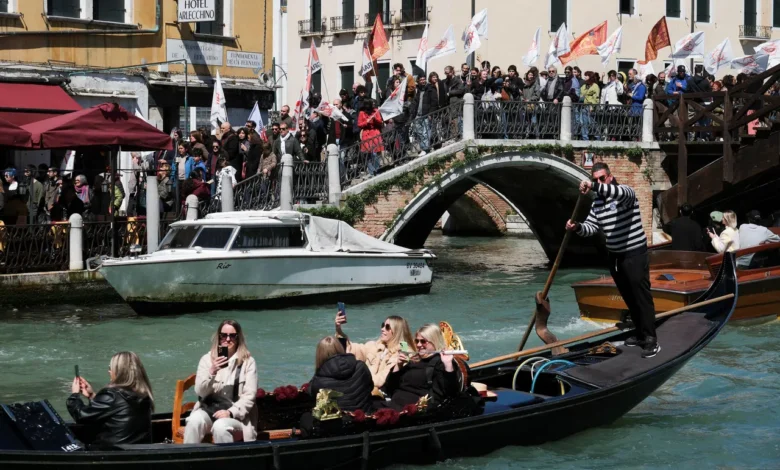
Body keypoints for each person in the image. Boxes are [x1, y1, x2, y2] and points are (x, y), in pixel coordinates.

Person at [566, 162, 660, 358]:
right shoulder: (597, 203)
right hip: (615, 256)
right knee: (628, 296)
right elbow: (592, 227)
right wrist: (577, 228)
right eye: (595, 180)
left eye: (602, 178)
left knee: (641, 296)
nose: (599, 182)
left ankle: (651, 339)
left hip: (634, 252)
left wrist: (593, 186)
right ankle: (639, 332)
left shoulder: (624, 193)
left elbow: (620, 193)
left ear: (609, 177)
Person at [184, 320, 258, 444]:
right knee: (194, 420)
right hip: (209, 410)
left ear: (238, 337)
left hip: (237, 417)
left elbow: (249, 396)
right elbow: (200, 392)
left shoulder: (248, 362)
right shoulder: (206, 359)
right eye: (224, 335)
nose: (227, 339)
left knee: (221, 426)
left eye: (232, 335)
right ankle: (188, 459)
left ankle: (224, 462)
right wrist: (212, 371)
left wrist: (230, 412)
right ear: (219, 336)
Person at [66, 351, 154, 448]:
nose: (109, 371)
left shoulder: (112, 394)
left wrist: (74, 395)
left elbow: (81, 416)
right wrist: (91, 395)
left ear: (119, 371)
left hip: (111, 452)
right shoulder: (144, 394)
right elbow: (117, 409)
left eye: (110, 368)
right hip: (135, 451)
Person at [379, 324, 459, 410]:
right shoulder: (414, 359)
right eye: (417, 341)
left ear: (434, 341)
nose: (418, 345)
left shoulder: (440, 362)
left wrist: (448, 365)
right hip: (393, 403)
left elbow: (451, 393)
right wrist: (398, 366)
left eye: (423, 341)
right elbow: (389, 387)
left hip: (413, 410)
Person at [334, 311, 415, 389]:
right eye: (383, 325)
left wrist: (358, 376)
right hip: (365, 386)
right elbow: (351, 349)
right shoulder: (375, 345)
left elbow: (382, 380)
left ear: (397, 331)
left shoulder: (403, 353)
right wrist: (338, 329)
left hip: (382, 394)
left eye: (387, 327)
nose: (382, 329)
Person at [307, 336, 374, 412]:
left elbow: (311, 395)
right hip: (366, 417)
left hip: (340, 422)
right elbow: (370, 387)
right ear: (340, 348)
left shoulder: (319, 381)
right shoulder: (361, 367)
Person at [357, 98, 384, 175]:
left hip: (375, 132)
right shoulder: (362, 113)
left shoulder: (376, 111)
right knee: (368, 154)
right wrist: (366, 122)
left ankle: (377, 169)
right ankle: (372, 171)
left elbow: (380, 122)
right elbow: (359, 124)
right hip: (366, 134)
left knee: (375, 153)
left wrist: (375, 119)